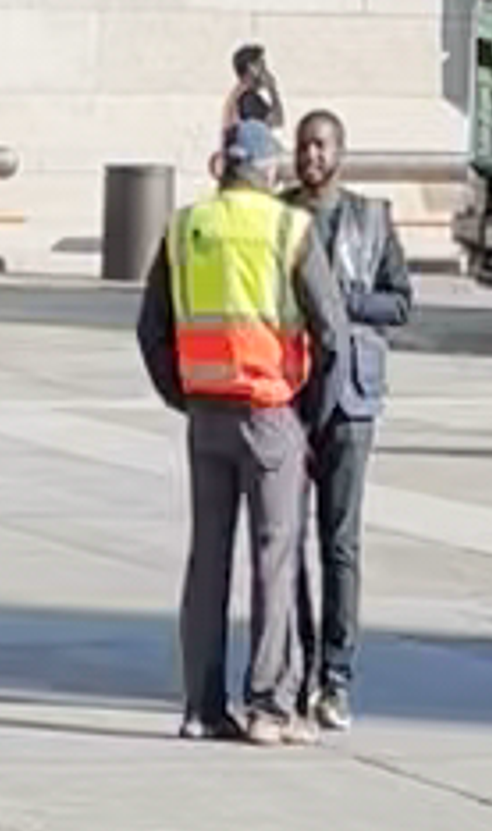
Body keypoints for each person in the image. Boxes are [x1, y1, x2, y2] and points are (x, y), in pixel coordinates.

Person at [136, 112, 334, 746]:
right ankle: (269, 705)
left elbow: (151, 329)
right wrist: (311, 413)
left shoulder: (185, 226)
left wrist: (183, 395)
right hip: (270, 410)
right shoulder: (288, 227)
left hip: (206, 414)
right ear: (268, 169)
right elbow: (332, 329)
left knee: (207, 561)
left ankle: (200, 706)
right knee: (275, 560)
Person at [286, 104, 413, 734]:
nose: (312, 157)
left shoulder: (370, 218)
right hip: (289, 391)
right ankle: (296, 663)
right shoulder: (278, 216)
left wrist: (338, 302)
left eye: (322, 146)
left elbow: (401, 302)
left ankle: (337, 675)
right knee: (286, 541)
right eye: (304, 146)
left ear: (341, 152)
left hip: (353, 396)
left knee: (340, 541)